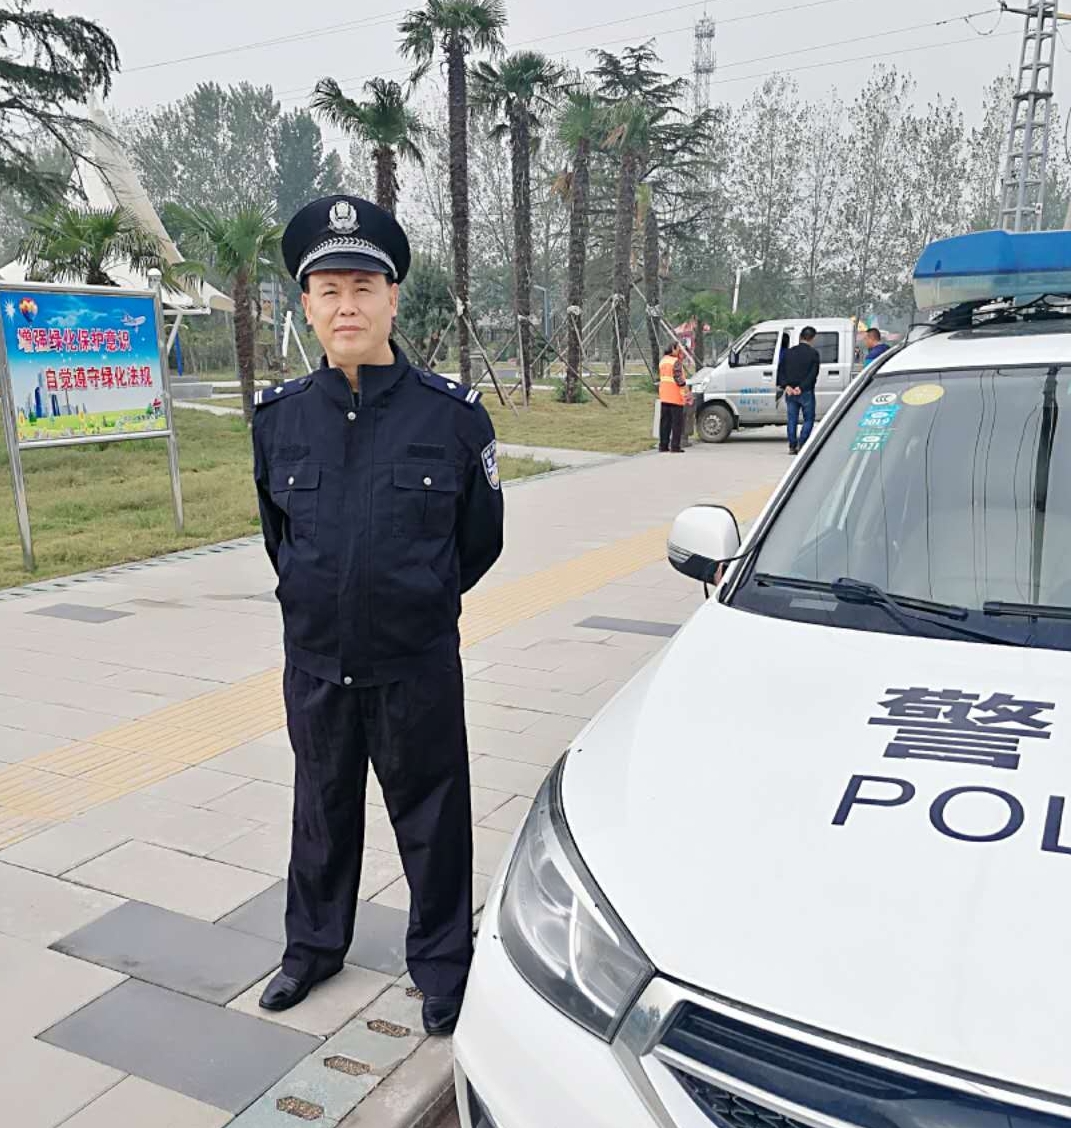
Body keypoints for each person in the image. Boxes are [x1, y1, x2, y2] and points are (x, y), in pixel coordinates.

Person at [251, 195, 504, 1036]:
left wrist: (416, 600)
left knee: (432, 816)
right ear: (306, 307)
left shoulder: (452, 417)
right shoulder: (280, 420)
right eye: (328, 291)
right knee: (320, 811)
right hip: (317, 663)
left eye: (363, 287)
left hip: (414, 664)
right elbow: (280, 539)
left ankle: (442, 965)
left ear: (393, 298)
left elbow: (478, 542)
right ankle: (312, 949)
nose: (346, 306)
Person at [777, 326, 820, 455]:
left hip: (790, 392)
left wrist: (786, 386)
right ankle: (802, 444)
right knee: (809, 419)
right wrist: (801, 387)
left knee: (792, 419)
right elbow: (813, 374)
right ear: (812, 338)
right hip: (805, 392)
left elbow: (781, 371)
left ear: (800, 336)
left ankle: (792, 446)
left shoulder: (788, 353)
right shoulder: (813, 354)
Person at [658, 342, 690, 453]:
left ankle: (663, 446)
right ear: (673, 349)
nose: (680, 351)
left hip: (664, 396)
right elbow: (678, 379)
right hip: (675, 397)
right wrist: (687, 390)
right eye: (678, 349)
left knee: (665, 423)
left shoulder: (663, 361)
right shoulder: (675, 362)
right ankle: (675, 446)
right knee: (676, 423)